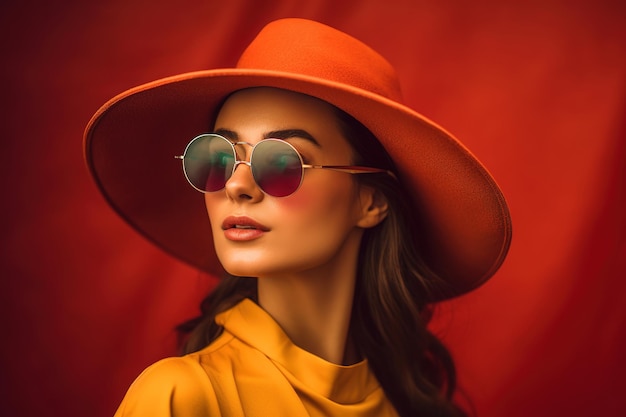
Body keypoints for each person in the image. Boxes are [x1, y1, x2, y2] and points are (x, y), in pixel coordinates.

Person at [84, 18, 512, 417]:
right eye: (218, 157)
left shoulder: (405, 404)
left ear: (370, 202)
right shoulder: (182, 395)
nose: (236, 185)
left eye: (282, 163)